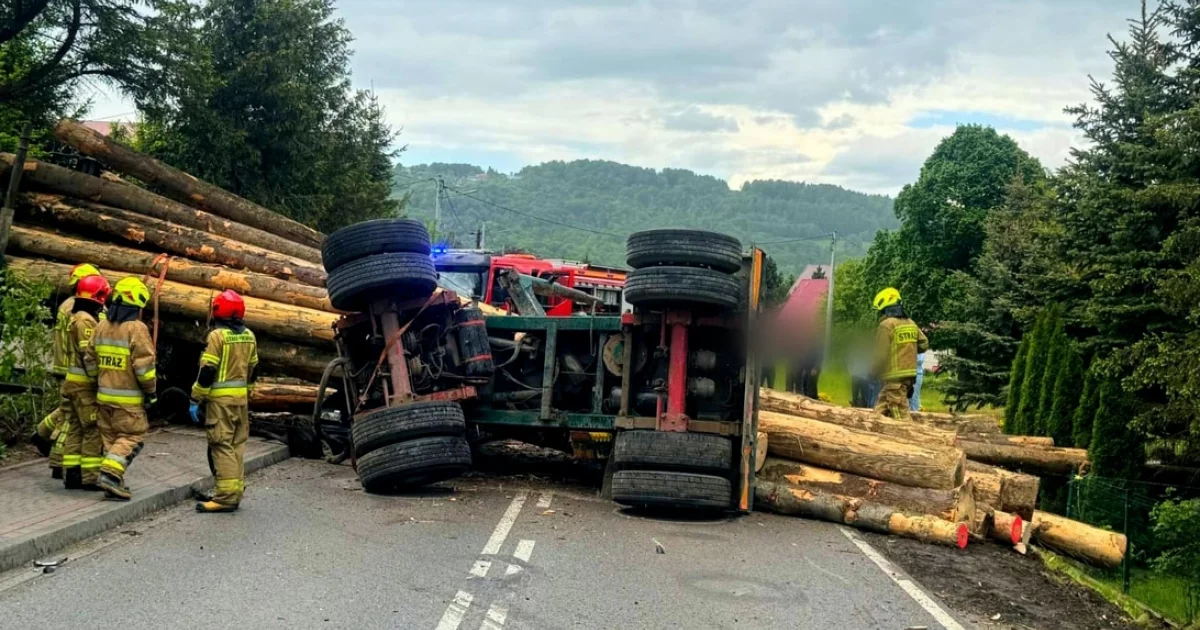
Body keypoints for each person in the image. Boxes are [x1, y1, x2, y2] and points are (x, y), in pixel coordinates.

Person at [87, 277, 157, 501]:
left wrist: (96, 379)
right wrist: (151, 392)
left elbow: (89, 359)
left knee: (110, 439)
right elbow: (144, 368)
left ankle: (113, 481)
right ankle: (109, 476)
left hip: (103, 398)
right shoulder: (136, 329)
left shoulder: (101, 326)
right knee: (132, 436)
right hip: (128, 403)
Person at [31, 263, 103, 479]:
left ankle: (47, 441)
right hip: (78, 371)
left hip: (66, 367)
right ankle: (58, 457)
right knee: (74, 420)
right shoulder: (85, 313)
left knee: (68, 415)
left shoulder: (66, 306)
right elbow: (88, 348)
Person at [190, 290, 258, 513]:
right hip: (240, 402)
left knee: (222, 445)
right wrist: (247, 392)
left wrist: (196, 397)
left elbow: (207, 370)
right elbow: (253, 368)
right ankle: (235, 491)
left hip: (220, 403)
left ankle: (226, 497)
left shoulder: (217, 336)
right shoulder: (249, 335)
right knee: (237, 445)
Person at [58, 274, 110, 490]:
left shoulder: (76, 316)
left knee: (75, 428)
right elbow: (88, 354)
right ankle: (89, 477)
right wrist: (98, 379)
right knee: (92, 429)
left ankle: (71, 474)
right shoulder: (86, 321)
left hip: (73, 382)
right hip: (83, 386)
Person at [871, 287, 929, 421]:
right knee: (881, 409)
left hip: (894, 376)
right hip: (909, 375)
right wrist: (908, 349)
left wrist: (873, 371)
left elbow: (881, 354)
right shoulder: (911, 323)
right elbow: (924, 344)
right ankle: (872, 431)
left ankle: (907, 436)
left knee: (899, 413)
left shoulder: (886, 325)